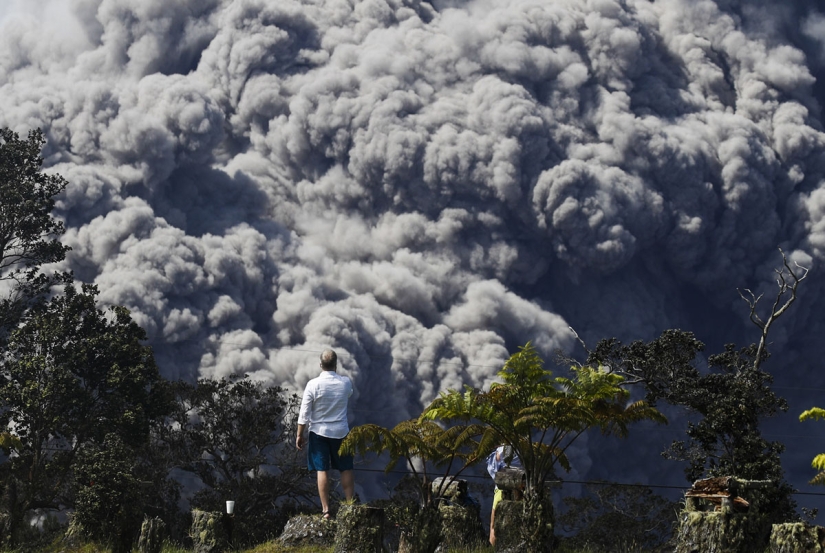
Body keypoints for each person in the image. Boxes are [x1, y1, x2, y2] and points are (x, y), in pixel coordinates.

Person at [296, 349, 355, 519]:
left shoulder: (313, 385)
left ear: (320, 364)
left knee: (322, 469)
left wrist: (300, 434)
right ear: (336, 365)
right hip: (341, 432)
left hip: (319, 433)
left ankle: (326, 511)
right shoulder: (345, 383)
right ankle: (351, 505)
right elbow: (349, 394)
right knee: (346, 468)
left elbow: (304, 413)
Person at [486, 444, 521, 546]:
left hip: (502, 490)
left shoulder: (502, 450)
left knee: (494, 526)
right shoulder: (525, 448)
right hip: (522, 490)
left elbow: (493, 470)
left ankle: (494, 548)